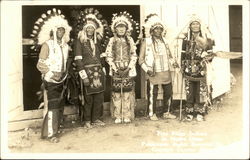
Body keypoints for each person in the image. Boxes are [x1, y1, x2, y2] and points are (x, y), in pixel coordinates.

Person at [33, 8, 72, 143]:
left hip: (62, 80)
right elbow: (40, 64)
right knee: (52, 107)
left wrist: (64, 75)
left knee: (60, 106)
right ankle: (51, 134)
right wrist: (50, 75)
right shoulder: (47, 45)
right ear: (53, 31)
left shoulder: (66, 46)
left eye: (63, 30)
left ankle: (56, 128)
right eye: (58, 30)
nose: (61, 32)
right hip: (51, 80)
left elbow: (66, 62)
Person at [74, 8, 109, 128]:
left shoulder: (97, 41)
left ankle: (96, 119)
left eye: (92, 28)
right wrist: (83, 76)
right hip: (87, 72)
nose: (90, 30)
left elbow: (102, 56)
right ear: (84, 29)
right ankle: (87, 121)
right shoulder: (80, 41)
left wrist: (103, 69)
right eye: (88, 28)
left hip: (98, 72)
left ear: (94, 30)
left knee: (99, 97)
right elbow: (78, 59)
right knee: (88, 98)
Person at [139, 14, 178, 121]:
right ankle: (152, 113)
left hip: (165, 70)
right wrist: (148, 70)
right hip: (153, 71)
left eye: (160, 29)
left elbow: (170, 56)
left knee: (169, 92)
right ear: (151, 30)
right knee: (152, 93)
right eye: (156, 28)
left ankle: (167, 112)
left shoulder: (165, 41)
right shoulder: (146, 42)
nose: (158, 31)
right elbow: (140, 60)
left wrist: (173, 62)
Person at [104, 12, 139, 124]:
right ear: (115, 29)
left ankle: (127, 115)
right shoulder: (111, 41)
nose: (121, 29)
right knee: (117, 94)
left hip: (127, 70)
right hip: (116, 71)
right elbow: (108, 55)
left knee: (127, 94)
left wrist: (128, 68)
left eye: (123, 27)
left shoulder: (130, 40)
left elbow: (134, 55)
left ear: (126, 29)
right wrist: (115, 68)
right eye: (119, 27)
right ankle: (118, 115)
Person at [180, 16, 215, 122]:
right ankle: (189, 112)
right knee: (189, 91)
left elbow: (211, 56)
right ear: (190, 26)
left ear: (200, 26)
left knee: (201, 91)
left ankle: (200, 112)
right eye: (193, 24)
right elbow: (182, 55)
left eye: (197, 24)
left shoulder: (207, 39)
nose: (195, 26)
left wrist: (207, 56)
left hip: (201, 69)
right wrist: (182, 66)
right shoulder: (186, 40)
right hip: (188, 69)